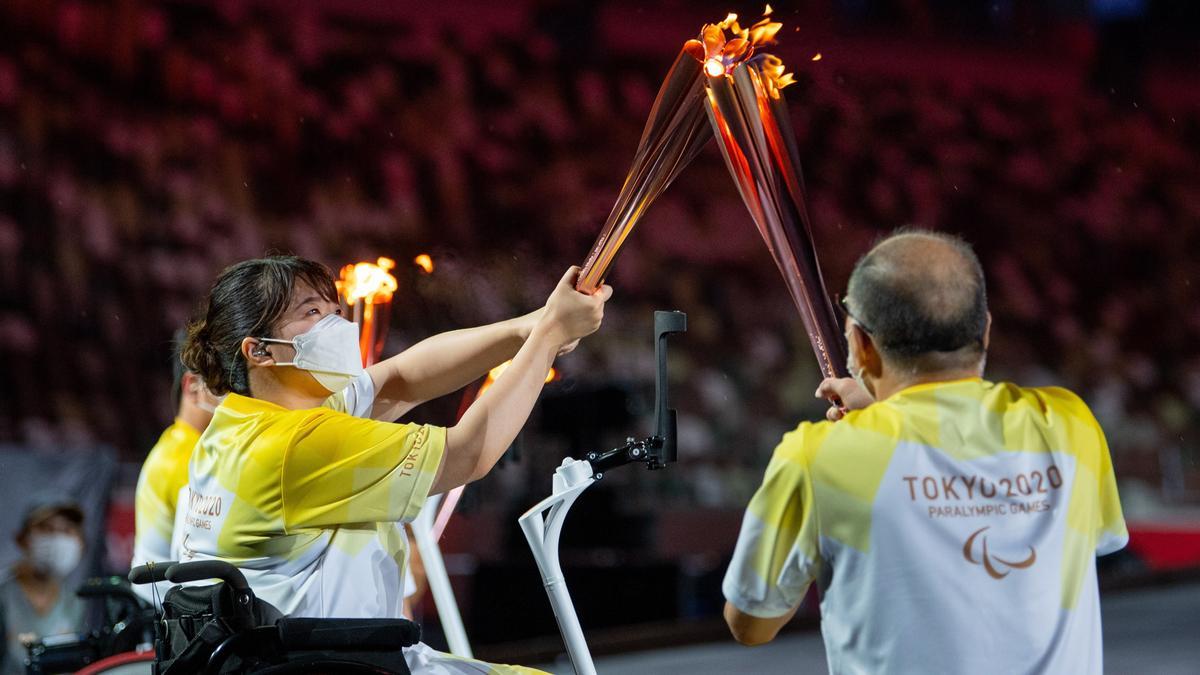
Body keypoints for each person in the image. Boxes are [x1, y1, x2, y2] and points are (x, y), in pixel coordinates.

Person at [177, 255, 609, 674]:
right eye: (312, 313)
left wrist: (527, 327)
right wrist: (549, 336)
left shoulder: (243, 423)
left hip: (306, 657)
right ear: (259, 351)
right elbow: (468, 453)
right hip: (337, 664)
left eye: (335, 311)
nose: (339, 328)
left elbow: (402, 378)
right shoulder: (294, 446)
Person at [722, 230, 1127, 673]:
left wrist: (870, 431)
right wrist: (881, 419)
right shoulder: (1070, 425)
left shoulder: (816, 458)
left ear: (859, 344)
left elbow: (751, 623)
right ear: (986, 329)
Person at [130, 338, 220, 602]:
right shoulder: (187, 459)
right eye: (222, 383)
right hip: (166, 614)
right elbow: (194, 562)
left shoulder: (177, 445)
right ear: (193, 387)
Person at [1, 498, 87, 675]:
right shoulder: (4, 595)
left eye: (67, 530)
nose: (57, 538)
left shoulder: (75, 601)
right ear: (22, 538)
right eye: (46, 528)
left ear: (80, 542)